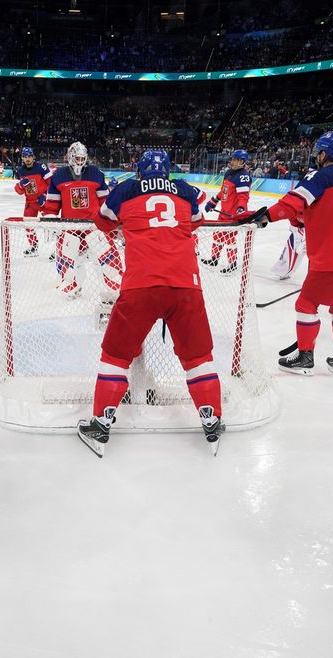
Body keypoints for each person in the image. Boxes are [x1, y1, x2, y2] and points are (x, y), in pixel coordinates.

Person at [77, 150, 220, 458]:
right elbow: (196, 222)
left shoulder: (126, 189)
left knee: (115, 354)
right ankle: (212, 418)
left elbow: (101, 222)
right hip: (185, 285)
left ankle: (101, 424)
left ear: (139, 170)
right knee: (199, 356)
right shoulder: (184, 189)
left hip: (141, 284)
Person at [237, 131, 333, 378]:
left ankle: (305, 357)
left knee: (307, 304)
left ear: (324, 153)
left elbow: (291, 204)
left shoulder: (320, 176)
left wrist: (263, 217)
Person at [42, 141, 120, 300]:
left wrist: (110, 223)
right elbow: (51, 207)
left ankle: (113, 292)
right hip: (70, 228)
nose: (80, 162)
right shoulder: (58, 176)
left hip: (94, 227)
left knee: (107, 262)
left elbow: (105, 203)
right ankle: (73, 287)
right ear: (70, 157)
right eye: (76, 158)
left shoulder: (95, 173)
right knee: (70, 263)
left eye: (82, 158)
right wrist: (51, 222)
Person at [201, 149, 252, 275]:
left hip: (232, 215)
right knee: (217, 235)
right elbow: (224, 190)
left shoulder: (243, 176)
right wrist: (214, 201)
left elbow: (243, 197)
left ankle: (232, 263)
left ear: (242, 162)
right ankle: (214, 259)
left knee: (229, 239)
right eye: (233, 159)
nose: (233, 161)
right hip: (223, 212)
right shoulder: (229, 173)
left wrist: (241, 210)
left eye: (236, 159)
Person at [12, 146, 53, 257]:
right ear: (22, 158)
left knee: (52, 224)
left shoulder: (41, 167)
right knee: (28, 225)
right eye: (25, 157)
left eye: (29, 156)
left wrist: (45, 196)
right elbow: (19, 191)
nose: (28, 159)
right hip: (30, 203)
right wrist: (21, 185)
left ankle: (57, 249)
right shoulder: (21, 171)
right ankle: (33, 247)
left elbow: (52, 183)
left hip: (43, 201)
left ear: (33, 157)